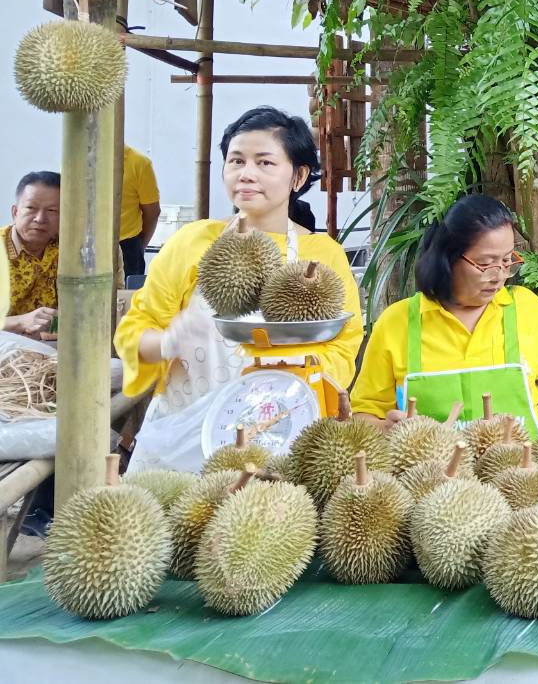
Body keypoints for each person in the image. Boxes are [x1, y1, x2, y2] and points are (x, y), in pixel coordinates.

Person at [115, 107, 362, 467]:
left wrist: (289, 370)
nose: (246, 174)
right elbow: (135, 334)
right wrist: (167, 342)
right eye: (236, 161)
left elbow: (344, 346)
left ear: (298, 176)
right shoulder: (193, 242)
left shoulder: (322, 255)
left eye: (264, 163)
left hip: (281, 433)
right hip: (182, 438)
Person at [351, 193, 538, 433]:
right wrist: (384, 429)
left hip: (527, 480)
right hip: (436, 486)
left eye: (507, 260)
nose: (499, 276)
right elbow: (363, 413)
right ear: (448, 257)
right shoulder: (398, 323)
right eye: (486, 263)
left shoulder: (525, 309)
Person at [3, 172, 60, 339]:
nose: (40, 218)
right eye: (30, 208)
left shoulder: (71, 251)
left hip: (52, 345)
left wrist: (50, 328)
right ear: (15, 212)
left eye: (51, 210)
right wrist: (21, 322)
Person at [118, 144, 161, 280]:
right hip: (85, 244)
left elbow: (152, 212)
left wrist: (139, 246)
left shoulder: (139, 163)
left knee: (127, 298)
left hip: (127, 247)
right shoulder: (78, 159)